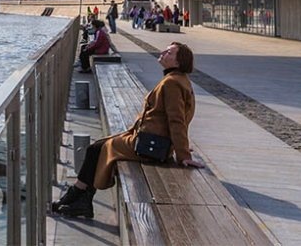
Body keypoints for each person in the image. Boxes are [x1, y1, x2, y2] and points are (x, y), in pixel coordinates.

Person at [54, 42, 202, 218]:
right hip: (152, 140)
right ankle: (79, 198)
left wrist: (183, 154)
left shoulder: (172, 83)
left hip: (151, 146)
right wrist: (178, 144)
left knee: (96, 149)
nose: (162, 52)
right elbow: (182, 116)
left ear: (178, 62)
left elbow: (177, 119)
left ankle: (79, 197)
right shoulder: (178, 80)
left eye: (169, 52)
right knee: (99, 146)